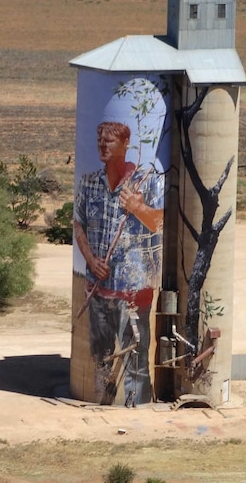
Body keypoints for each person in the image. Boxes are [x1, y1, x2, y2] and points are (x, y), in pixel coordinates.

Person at [74, 120, 164, 405]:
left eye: (109, 140)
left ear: (125, 145)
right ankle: (102, 406)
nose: (102, 144)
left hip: (135, 293)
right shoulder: (89, 183)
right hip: (98, 291)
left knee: (135, 361)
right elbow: (79, 225)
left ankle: (136, 407)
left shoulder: (147, 181)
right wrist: (90, 260)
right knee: (100, 359)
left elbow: (160, 222)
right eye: (99, 139)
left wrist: (137, 207)